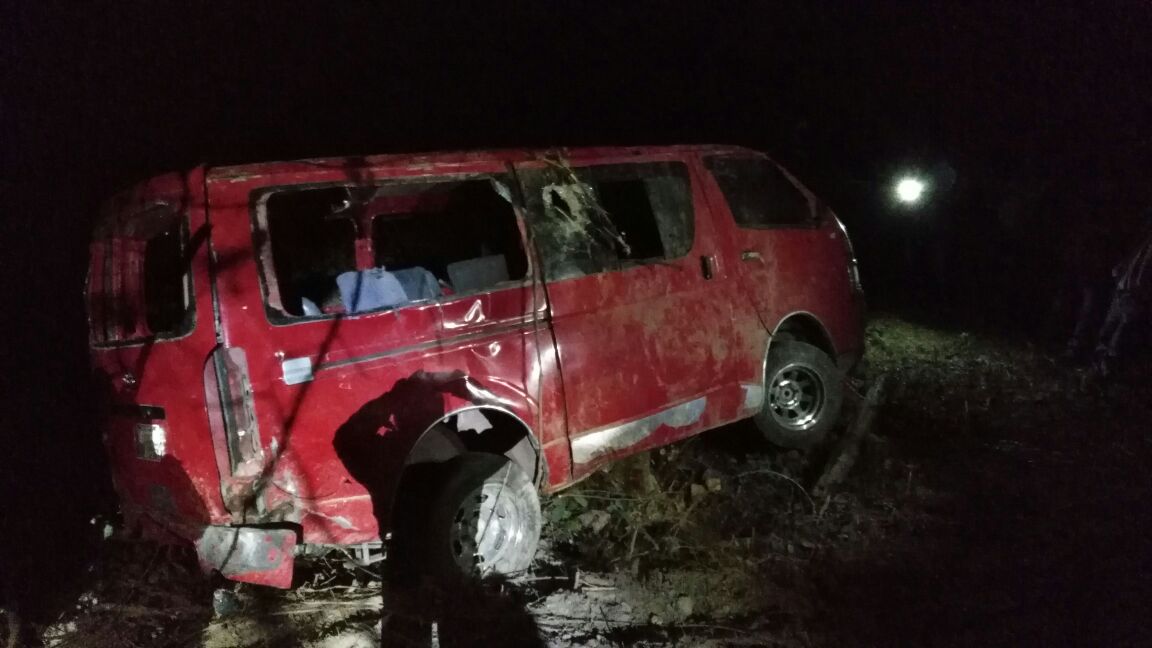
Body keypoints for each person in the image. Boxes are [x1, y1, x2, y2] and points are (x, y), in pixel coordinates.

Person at [1092, 211, 1152, 376]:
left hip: (1136, 295)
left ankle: (1107, 373)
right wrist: (1120, 270)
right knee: (1107, 331)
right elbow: (1133, 259)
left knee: (1119, 337)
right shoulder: (1144, 238)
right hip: (1122, 289)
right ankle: (1096, 369)